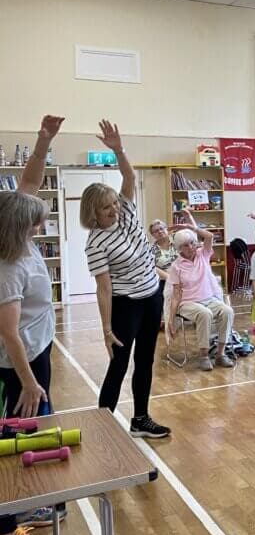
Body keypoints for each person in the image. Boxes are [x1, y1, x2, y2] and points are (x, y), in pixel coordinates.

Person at [0, 115, 64, 535]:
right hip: (15, 363)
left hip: (34, 354)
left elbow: (28, 183)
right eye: (37, 220)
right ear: (22, 225)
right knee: (9, 438)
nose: (41, 223)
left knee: (34, 429)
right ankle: (6, 533)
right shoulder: (8, 266)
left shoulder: (17, 235)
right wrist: (26, 380)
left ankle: (29, 501)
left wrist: (42, 141)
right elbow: (7, 332)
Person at [83, 120, 170, 439]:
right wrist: (106, 329)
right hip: (125, 306)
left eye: (115, 204)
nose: (114, 210)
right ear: (93, 212)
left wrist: (118, 149)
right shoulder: (95, 243)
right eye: (107, 208)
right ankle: (103, 426)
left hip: (152, 297)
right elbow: (103, 288)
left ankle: (141, 419)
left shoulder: (127, 212)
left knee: (145, 360)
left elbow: (129, 176)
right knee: (119, 365)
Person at [164, 210, 235, 372]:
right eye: (185, 245)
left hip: (209, 299)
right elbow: (175, 295)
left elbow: (209, 236)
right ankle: (203, 356)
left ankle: (220, 354)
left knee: (227, 311)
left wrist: (191, 226)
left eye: (191, 243)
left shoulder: (202, 254)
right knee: (204, 313)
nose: (190, 247)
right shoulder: (177, 266)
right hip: (187, 303)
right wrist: (171, 318)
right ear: (179, 249)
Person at [149, 219, 178, 287]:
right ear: (153, 235)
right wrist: (170, 278)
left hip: (185, 277)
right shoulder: (150, 249)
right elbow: (152, 266)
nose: (160, 231)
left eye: (161, 228)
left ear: (166, 229)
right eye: (156, 231)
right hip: (165, 281)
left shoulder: (177, 240)